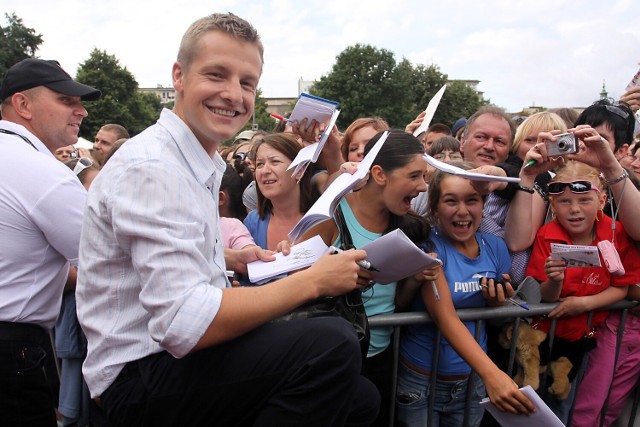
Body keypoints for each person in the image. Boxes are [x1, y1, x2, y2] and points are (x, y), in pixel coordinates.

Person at [75, 13, 379, 426]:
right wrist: (312, 281)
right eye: (216, 74)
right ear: (178, 76)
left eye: (247, 82)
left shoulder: (195, 161)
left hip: (168, 363)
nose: (233, 94)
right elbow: (183, 323)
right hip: (139, 376)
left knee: (360, 398)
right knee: (332, 344)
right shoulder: (154, 167)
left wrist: (230, 260)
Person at [0, 57, 100, 425]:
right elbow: (111, 256)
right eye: (65, 100)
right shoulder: (40, 171)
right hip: (12, 352)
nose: (81, 111)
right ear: (22, 104)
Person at [397, 164, 534, 427]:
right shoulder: (429, 249)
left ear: (483, 204)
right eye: (450, 201)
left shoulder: (496, 247)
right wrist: (493, 374)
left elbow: (496, 319)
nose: (462, 211)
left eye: (471, 200)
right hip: (422, 383)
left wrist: (497, 304)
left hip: (471, 383)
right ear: (435, 208)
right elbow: (445, 316)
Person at [525, 161, 640, 424]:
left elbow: (623, 287)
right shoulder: (546, 235)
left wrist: (585, 304)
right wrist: (554, 280)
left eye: (584, 200)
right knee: (532, 407)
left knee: (564, 407)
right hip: (542, 339)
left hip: (584, 343)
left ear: (601, 201)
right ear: (553, 206)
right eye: (564, 202)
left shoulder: (616, 232)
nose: (575, 209)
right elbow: (545, 297)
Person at [244, 132, 314, 251]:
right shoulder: (252, 222)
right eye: (260, 164)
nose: (265, 171)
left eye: (275, 161)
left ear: (299, 171)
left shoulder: (321, 219)